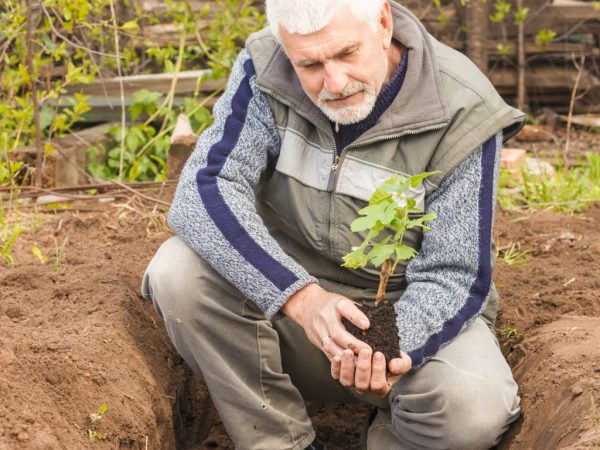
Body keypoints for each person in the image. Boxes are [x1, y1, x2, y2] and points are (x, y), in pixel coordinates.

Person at [142, 0, 525, 448]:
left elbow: (454, 275)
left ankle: (389, 438)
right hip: (286, 309)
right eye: (310, 64)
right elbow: (205, 190)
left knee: (473, 408)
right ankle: (283, 441)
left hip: (402, 312)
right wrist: (300, 298)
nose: (335, 83)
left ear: (383, 23)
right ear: (287, 50)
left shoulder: (463, 107)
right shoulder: (266, 67)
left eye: (346, 54)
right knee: (177, 272)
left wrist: (382, 348)